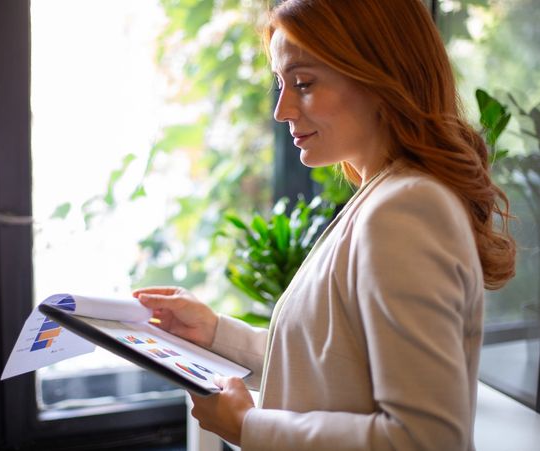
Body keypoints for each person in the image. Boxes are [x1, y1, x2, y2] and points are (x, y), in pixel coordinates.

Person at [133, 0, 516, 449]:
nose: (282, 110)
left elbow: (424, 439)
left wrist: (247, 427)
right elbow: (338, 364)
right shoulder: (387, 197)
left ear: (379, 77)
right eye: (281, 84)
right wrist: (215, 333)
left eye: (303, 83)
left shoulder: (405, 209)